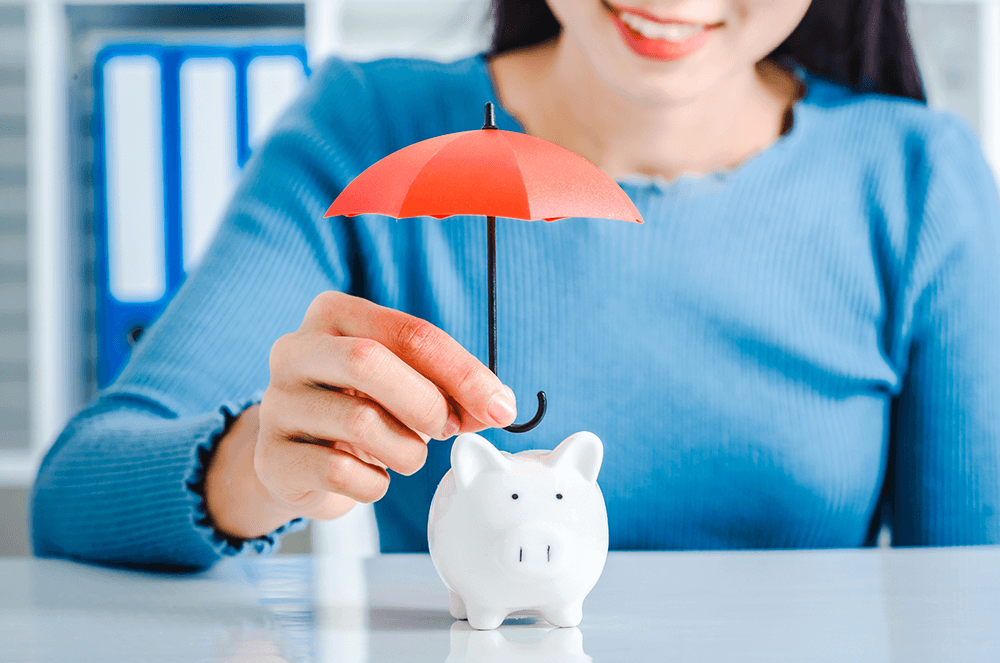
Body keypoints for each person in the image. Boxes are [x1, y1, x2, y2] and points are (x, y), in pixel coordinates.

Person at [31, 0, 1000, 570]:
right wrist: (255, 463)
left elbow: (967, 593)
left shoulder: (915, 177)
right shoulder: (365, 126)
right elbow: (75, 497)